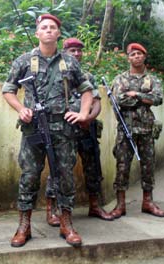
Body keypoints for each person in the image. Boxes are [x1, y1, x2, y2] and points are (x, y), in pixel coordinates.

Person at [2, 14, 93, 247]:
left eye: (53, 27)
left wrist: (83, 113)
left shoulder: (70, 62)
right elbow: (8, 90)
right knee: (29, 175)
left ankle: (66, 223)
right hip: (34, 128)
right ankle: (24, 225)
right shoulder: (24, 61)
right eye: (44, 27)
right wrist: (21, 109)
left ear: (58, 33)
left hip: (62, 129)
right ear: (37, 33)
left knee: (64, 176)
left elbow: (86, 90)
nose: (49, 30)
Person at [45, 38, 114, 225]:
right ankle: (51, 210)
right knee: (58, 170)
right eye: (72, 50)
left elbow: (97, 103)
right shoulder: (56, 74)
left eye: (79, 51)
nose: (76, 54)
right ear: (65, 52)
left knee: (93, 168)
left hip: (86, 129)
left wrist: (88, 118)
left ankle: (95, 206)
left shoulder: (88, 77)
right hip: (64, 131)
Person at [109, 43, 164, 219]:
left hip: (146, 130)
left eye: (139, 54)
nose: (136, 57)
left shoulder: (153, 80)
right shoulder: (120, 79)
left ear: (144, 56)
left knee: (148, 166)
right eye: (133, 54)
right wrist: (142, 99)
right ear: (128, 58)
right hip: (126, 129)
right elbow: (118, 100)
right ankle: (120, 205)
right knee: (122, 166)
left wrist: (136, 95)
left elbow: (157, 99)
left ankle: (148, 202)